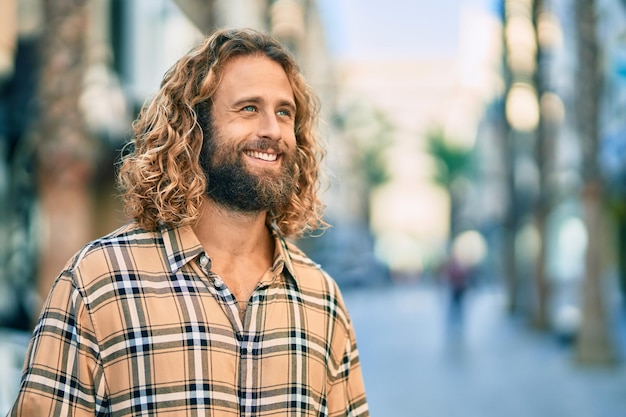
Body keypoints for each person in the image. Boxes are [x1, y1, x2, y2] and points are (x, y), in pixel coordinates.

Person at [9, 28, 369, 416]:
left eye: (284, 112)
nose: (272, 129)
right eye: (249, 108)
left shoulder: (322, 299)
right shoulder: (98, 284)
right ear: (193, 130)